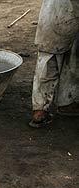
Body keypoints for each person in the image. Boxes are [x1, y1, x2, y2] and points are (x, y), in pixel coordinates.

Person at [30, 0, 79, 128]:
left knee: (48, 60)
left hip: (52, 14)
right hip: (69, 15)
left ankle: (40, 109)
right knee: (71, 60)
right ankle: (67, 103)